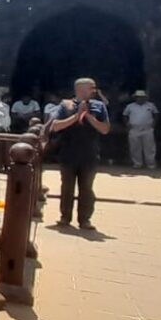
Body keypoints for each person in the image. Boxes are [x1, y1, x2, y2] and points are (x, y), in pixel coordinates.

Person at [51, 77, 111, 230]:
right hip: (68, 153)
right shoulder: (65, 105)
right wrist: (76, 116)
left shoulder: (99, 106)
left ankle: (85, 220)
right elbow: (56, 126)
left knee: (87, 188)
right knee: (67, 188)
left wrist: (88, 116)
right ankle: (65, 218)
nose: (94, 90)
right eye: (91, 88)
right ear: (80, 90)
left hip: (89, 154)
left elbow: (105, 129)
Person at [122, 90, 159, 169]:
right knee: (135, 147)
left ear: (145, 98)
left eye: (142, 97)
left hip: (147, 129)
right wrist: (127, 124)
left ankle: (150, 164)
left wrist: (154, 123)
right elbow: (125, 115)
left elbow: (156, 114)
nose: (140, 99)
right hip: (134, 129)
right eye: (138, 97)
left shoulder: (150, 105)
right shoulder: (130, 106)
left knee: (149, 147)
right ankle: (137, 163)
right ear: (136, 98)